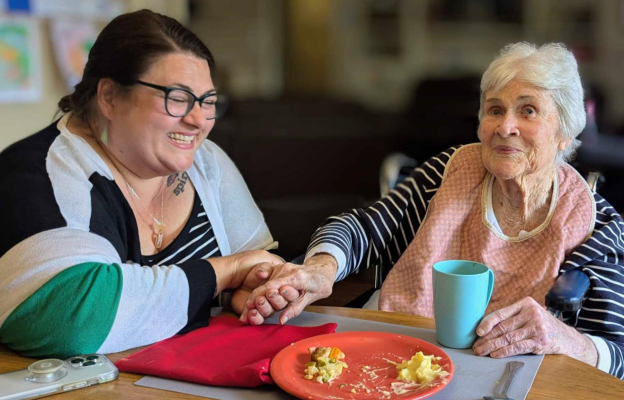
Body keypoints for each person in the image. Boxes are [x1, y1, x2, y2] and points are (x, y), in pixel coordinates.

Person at [241, 43, 624, 380]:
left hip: (505, 376)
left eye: (528, 111)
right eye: (495, 109)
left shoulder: (594, 223)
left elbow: (616, 354)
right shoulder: (450, 172)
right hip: (394, 350)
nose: (506, 126)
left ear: (565, 133)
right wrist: (321, 269)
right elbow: (363, 226)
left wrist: (565, 339)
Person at [0, 10, 282, 358]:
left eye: (207, 102)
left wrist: (249, 291)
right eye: (177, 98)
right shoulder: (37, 174)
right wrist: (225, 272)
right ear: (109, 97)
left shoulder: (207, 163)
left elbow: (260, 266)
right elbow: (74, 322)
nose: (198, 120)